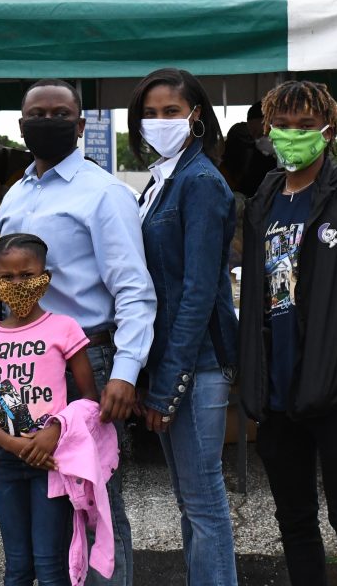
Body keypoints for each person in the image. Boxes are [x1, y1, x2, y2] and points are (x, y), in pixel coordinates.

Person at [0, 79, 156, 586]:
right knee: (41, 499)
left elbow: (134, 289)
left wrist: (126, 373)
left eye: (58, 113)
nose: (47, 122)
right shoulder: (15, 194)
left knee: (95, 501)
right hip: (25, 366)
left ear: (81, 125)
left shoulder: (104, 193)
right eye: (36, 115)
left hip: (87, 360)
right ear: (21, 126)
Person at [236, 80, 337, 586]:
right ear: (267, 129)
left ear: (328, 130)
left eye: (304, 126)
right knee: (294, 519)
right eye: (282, 125)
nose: (291, 135)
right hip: (278, 390)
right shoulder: (263, 199)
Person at [128, 68, 239, 584]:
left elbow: (198, 289)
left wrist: (169, 378)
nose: (159, 121)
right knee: (193, 503)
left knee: (204, 503)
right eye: (150, 113)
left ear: (196, 115)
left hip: (195, 361)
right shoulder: (162, 178)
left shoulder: (199, 182)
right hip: (174, 358)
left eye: (171, 111)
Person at [0, 233, 98, 586]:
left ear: (45, 277)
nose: (17, 283)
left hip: (53, 461)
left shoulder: (64, 328)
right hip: (6, 461)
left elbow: (89, 400)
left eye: (27, 274)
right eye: (6, 277)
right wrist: (14, 446)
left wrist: (54, 432)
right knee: (18, 565)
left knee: (50, 564)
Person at [221, 103, 277, 197]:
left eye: (260, 134)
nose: (257, 140)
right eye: (252, 135)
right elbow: (249, 185)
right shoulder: (257, 154)